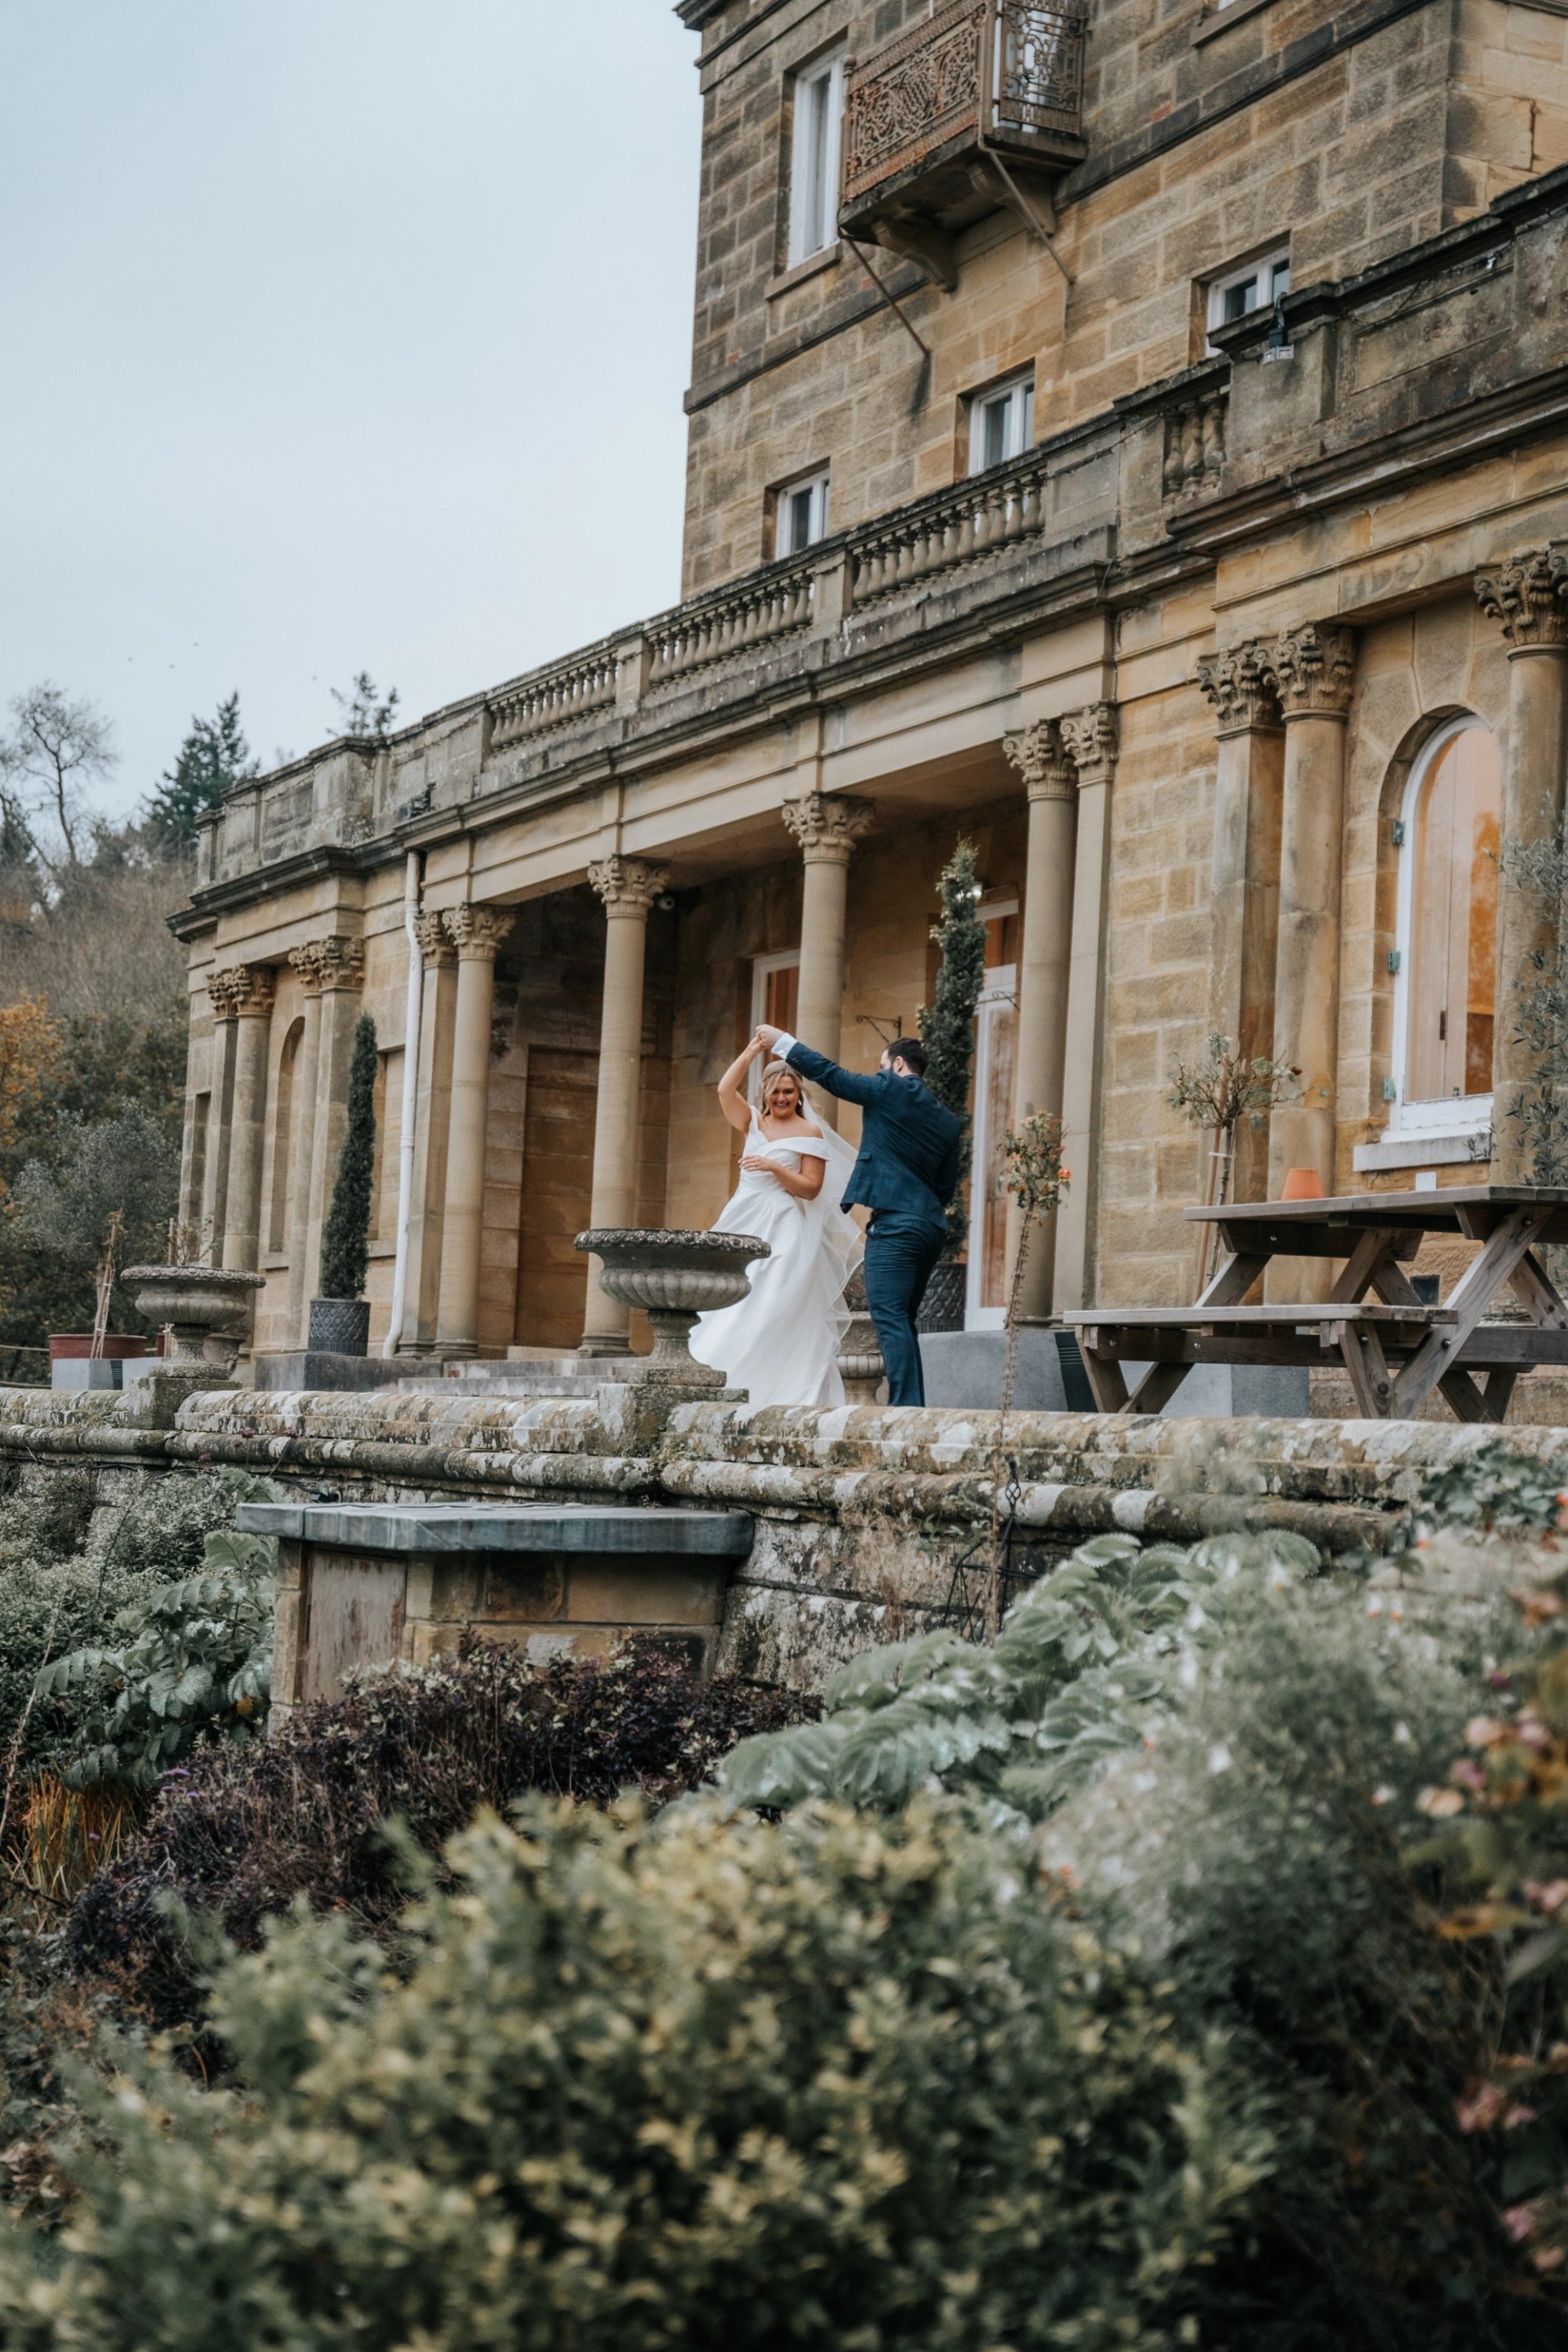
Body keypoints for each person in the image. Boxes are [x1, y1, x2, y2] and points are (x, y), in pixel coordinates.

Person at [754, 1022, 960, 1408]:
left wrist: (782, 1043)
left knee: (887, 1314)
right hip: (929, 1227)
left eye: (882, 1066)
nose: (879, 1073)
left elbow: (832, 1076)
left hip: (895, 1224)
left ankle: (906, 1411)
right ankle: (912, 1405)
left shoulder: (888, 1087)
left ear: (898, 1065)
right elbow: (946, 1186)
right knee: (902, 1320)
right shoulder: (946, 1119)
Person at [688, 1036, 862, 1408]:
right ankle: (721, 1375)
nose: (781, 1098)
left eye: (788, 1091)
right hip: (743, 1217)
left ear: (798, 1094)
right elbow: (723, 1089)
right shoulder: (752, 1122)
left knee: (773, 1303)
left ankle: (775, 1389)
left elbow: (811, 1189)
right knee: (732, 1300)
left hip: (783, 1226)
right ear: (764, 1092)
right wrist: (751, 1051)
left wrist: (771, 1166)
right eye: (774, 1092)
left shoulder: (809, 1133)